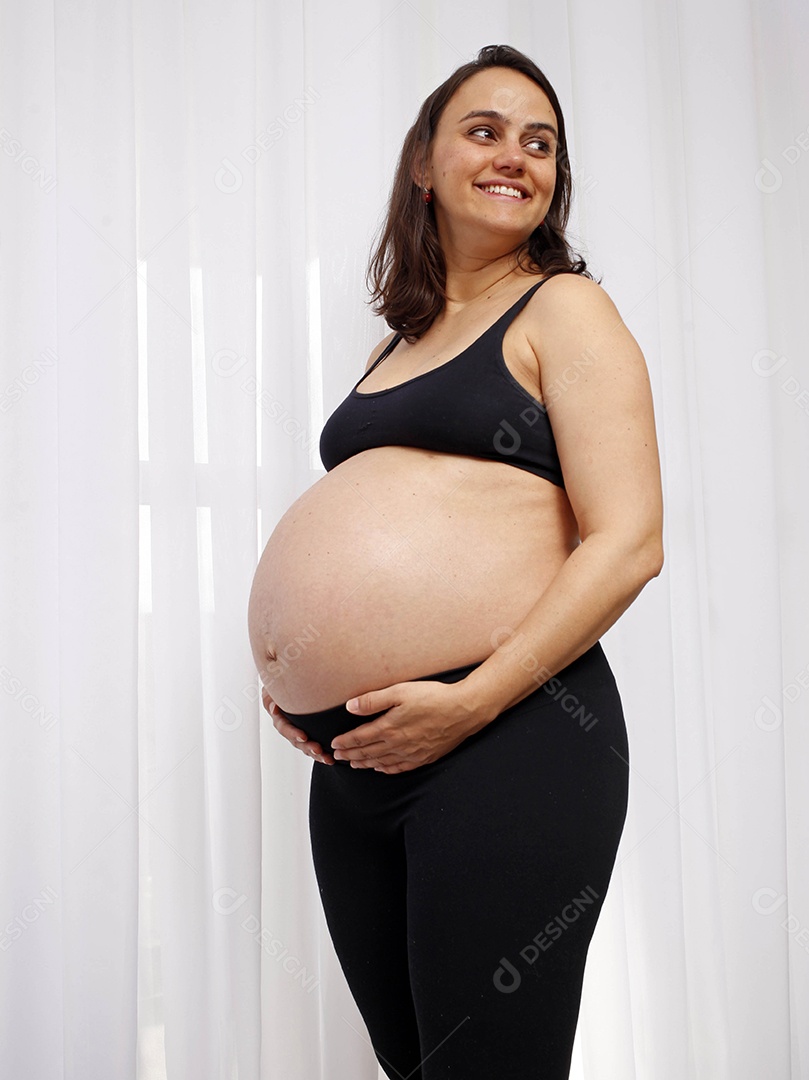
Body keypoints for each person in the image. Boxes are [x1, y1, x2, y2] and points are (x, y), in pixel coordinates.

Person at [251, 43, 663, 1080]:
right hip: (360, 766)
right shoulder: (403, 337)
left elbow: (627, 544)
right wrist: (302, 680)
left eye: (540, 144)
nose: (515, 157)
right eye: (484, 131)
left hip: (510, 740)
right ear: (422, 164)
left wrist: (471, 702)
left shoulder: (564, 309)